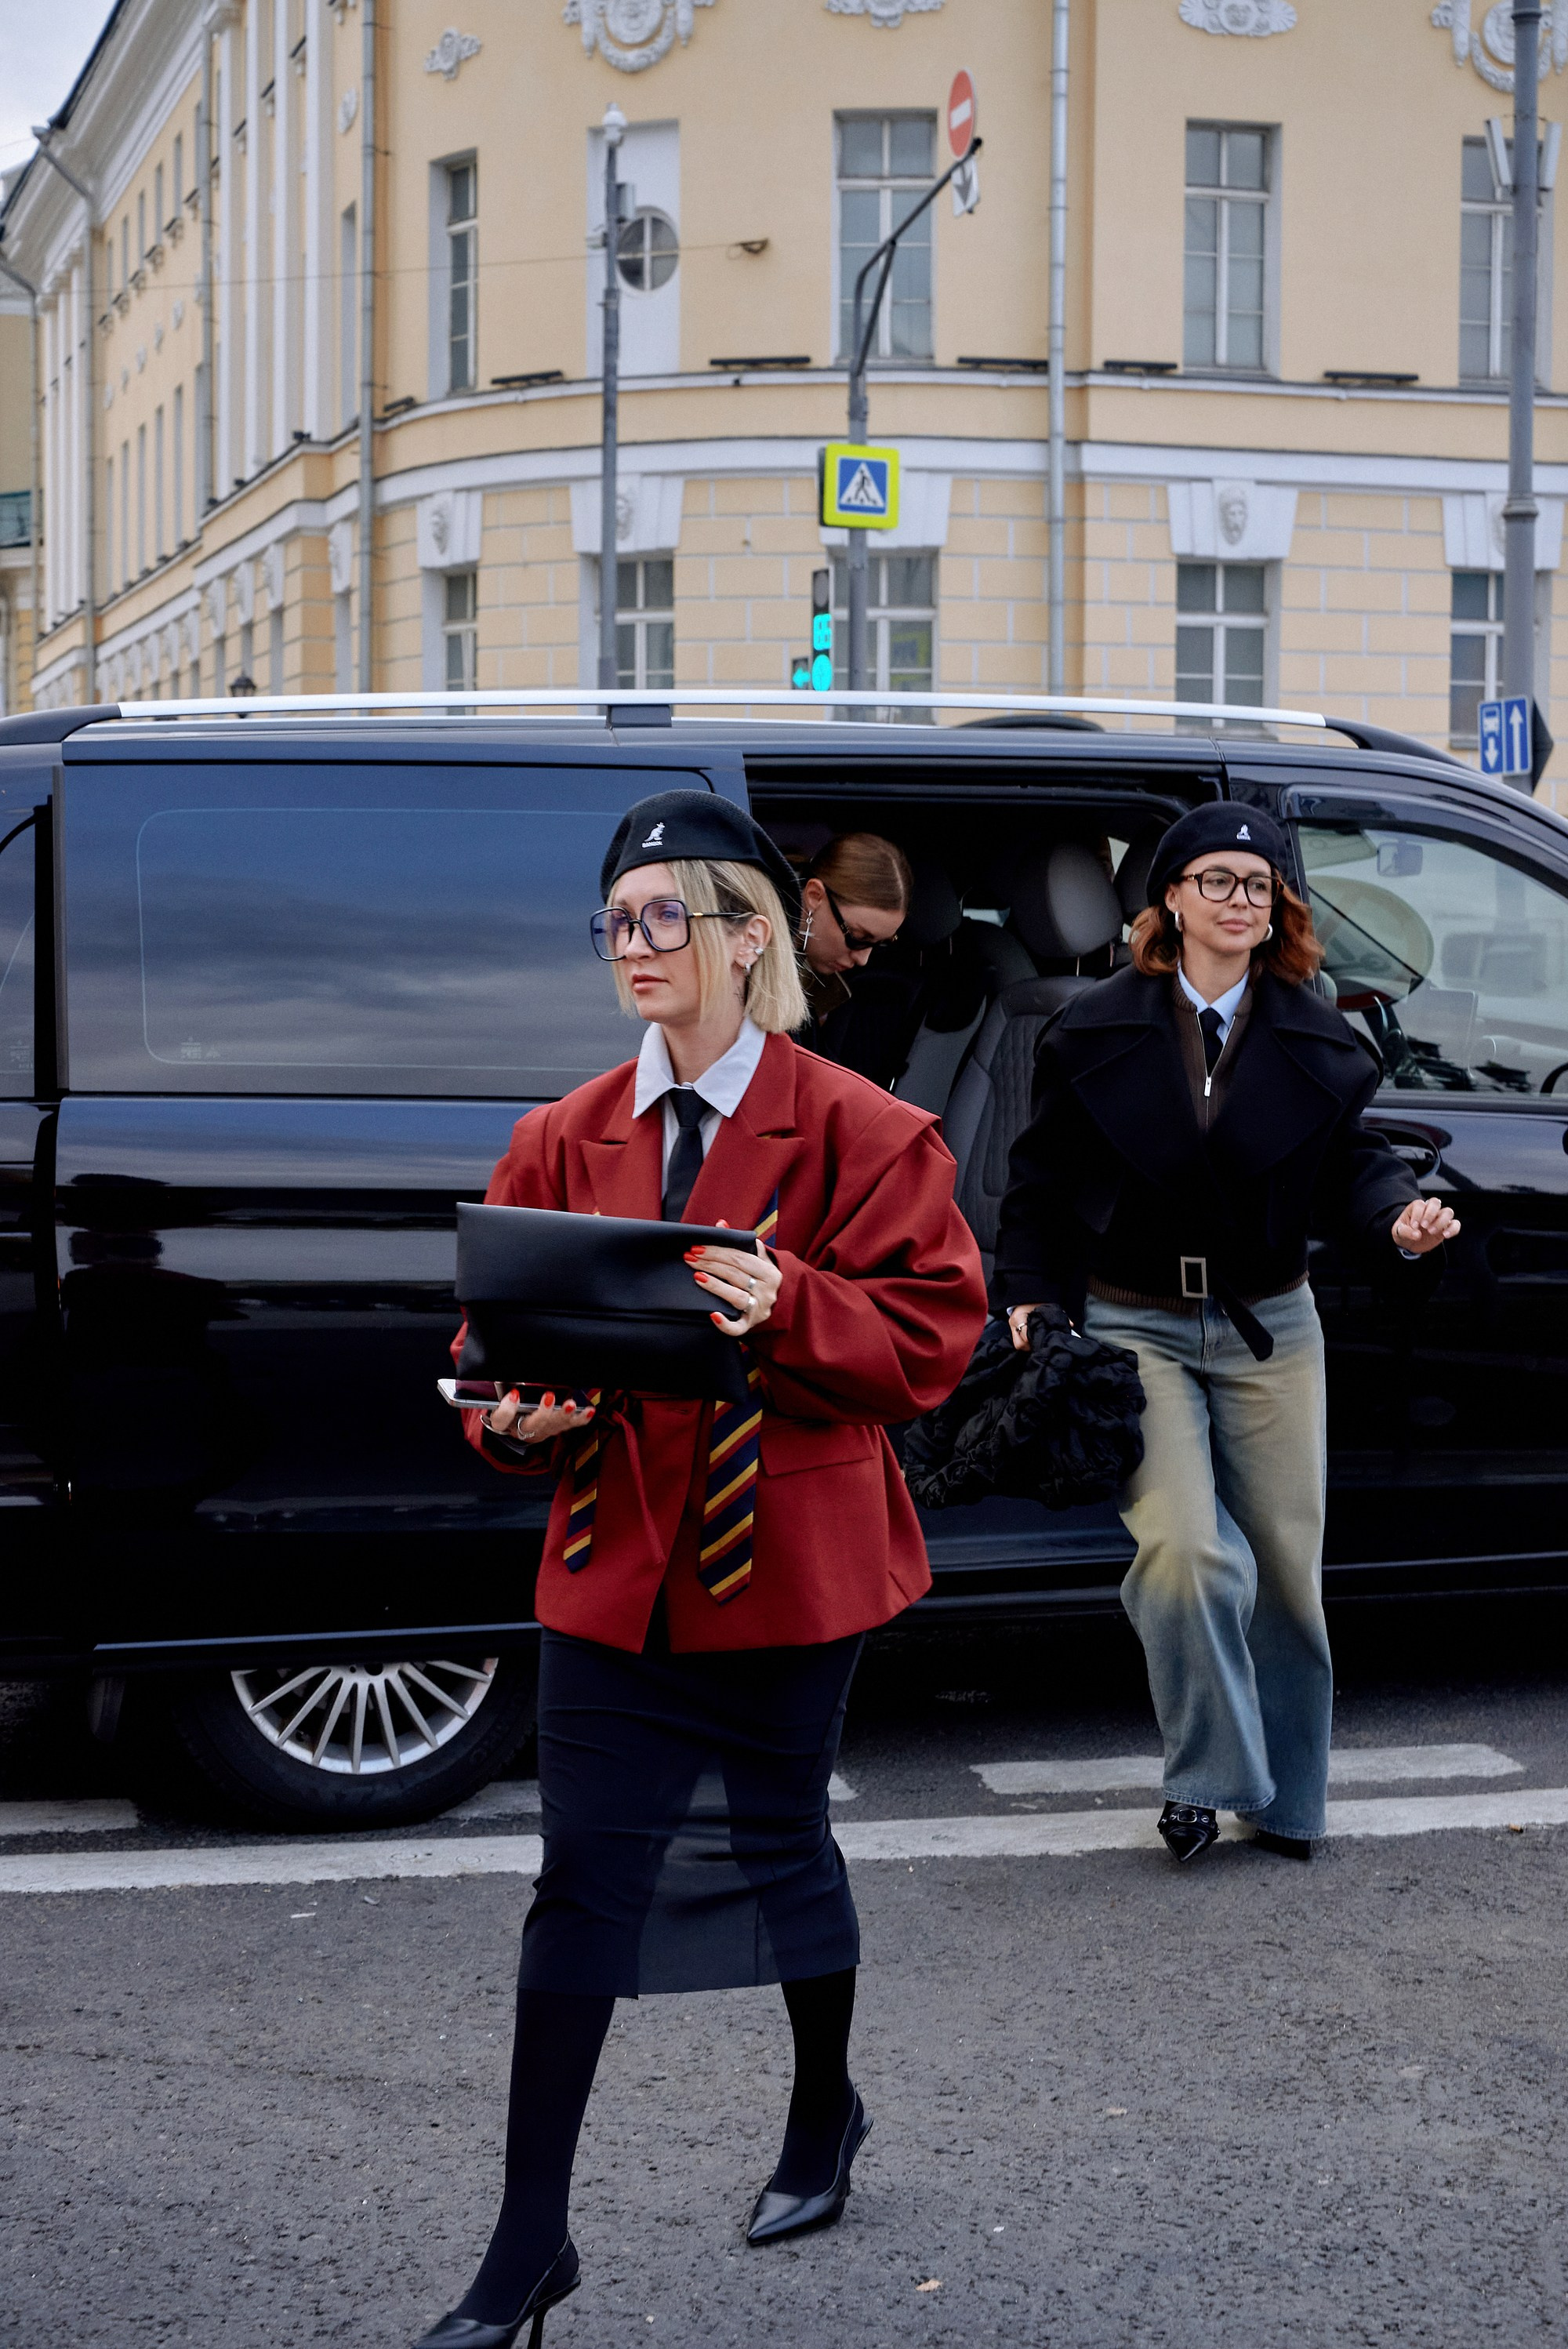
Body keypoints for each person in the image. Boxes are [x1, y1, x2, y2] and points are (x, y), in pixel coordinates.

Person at [415, 789, 985, 2349]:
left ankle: (824, 2115)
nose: (635, 944)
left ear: (750, 938)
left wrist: (787, 1301)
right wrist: (514, 1421)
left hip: (789, 1557)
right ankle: (526, 2245)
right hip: (610, 1562)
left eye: (668, 915)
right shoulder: (563, 1132)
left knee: (782, 1844)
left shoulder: (865, 1131)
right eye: (616, 920)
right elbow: (489, 1355)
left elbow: (927, 1342)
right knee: (579, 1883)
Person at [993, 804, 1457, 1870]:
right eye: (1216, 880)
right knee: (1188, 1553)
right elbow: (1042, 1185)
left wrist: (1400, 1218)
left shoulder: (1321, 1036)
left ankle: (1289, 1803)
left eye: (1258, 885)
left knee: (1289, 1573)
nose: (1239, 901)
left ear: (1279, 907)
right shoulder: (1096, 1027)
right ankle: (1206, 1778)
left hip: (1270, 1328)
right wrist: (1029, 1294)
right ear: (1170, 900)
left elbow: (1355, 1166)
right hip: (1133, 1321)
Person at [795, 831, 912, 1033]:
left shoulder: (819, 989)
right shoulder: (743, 967)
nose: (863, 960)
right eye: (858, 937)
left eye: (881, 943)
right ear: (815, 896)